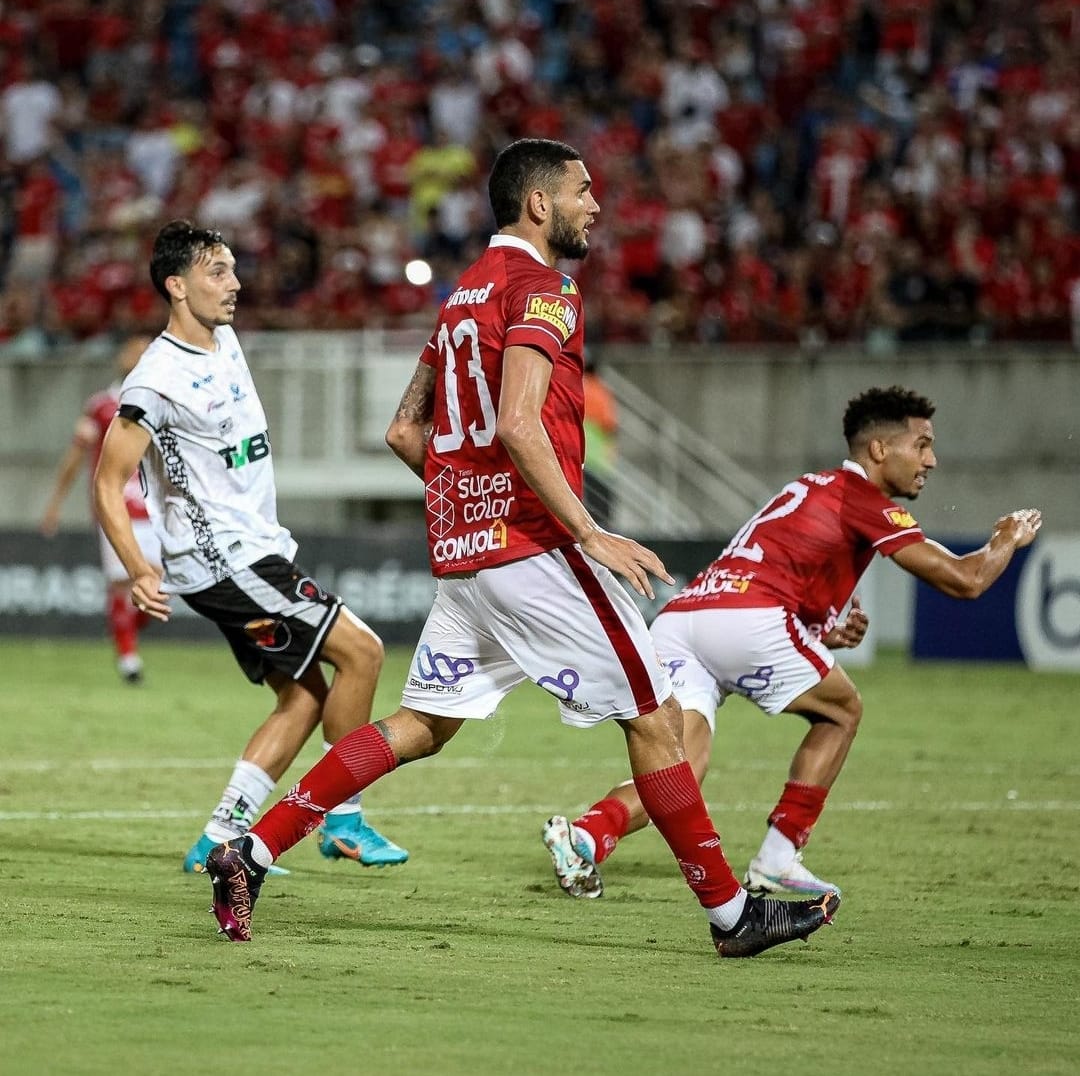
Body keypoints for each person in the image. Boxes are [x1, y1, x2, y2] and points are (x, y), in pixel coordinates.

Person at [202, 138, 839, 956]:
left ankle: (247, 852)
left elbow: (407, 429)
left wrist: (464, 496)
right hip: (534, 549)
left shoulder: (464, 294)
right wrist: (588, 530)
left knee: (420, 727)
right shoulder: (547, 289)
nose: (595, 205)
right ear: (538, 204)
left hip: (468, 557)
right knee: (655, 721)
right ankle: (731, 915)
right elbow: (516, 421)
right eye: (582, 190)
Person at [542, 386, 1042, 899]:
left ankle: (585, 836)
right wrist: (1006, 537)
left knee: (681, 767)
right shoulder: (863, 500)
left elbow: (771, 569)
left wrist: (820, 631)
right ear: (878, 450)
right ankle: (778, 858)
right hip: (746, 621)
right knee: (842, 711)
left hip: (684, 620)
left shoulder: (808, 486)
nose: (931, 460)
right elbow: (965, 580)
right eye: (921, 445)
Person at [93, 219, 407, 876]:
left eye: (234, 269)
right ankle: (343, 820)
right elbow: (107, 480)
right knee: (364, 653)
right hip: (225, 560)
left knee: (305, 696)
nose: (234, 284)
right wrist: (138, 566)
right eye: (217, 272)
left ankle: (219, 836)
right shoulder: (155, 379)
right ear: (176, 286)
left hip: (252, 549)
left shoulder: (225, 340)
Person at [41, 334, 160, 684]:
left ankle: (124, 632)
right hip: (117, 507)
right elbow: (75, 458)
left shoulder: (161, 405)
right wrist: (54, 505)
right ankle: (128, 658)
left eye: (145, 351)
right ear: (122, 358)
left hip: (155, 508)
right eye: (133, 350)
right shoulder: (101, 406)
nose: (138, 355)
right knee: (126, 583)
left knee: (158, 588)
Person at [581, 350, 618, 528]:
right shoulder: (602, 391)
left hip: (583, 457)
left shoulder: (579, 387)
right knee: (602, 512)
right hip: (600, 460)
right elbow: (611, 425)